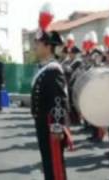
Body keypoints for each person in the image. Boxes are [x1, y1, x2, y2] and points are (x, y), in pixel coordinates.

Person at [31, 26, 72, 180]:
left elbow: (59, 100)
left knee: (55, 164)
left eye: (38, 43)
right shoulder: (44, 68)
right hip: (42, 123)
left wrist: (57, 126)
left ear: (48, 46)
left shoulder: (53, 69)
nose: (35, 46)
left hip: (51, 125)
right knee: (48, 162)